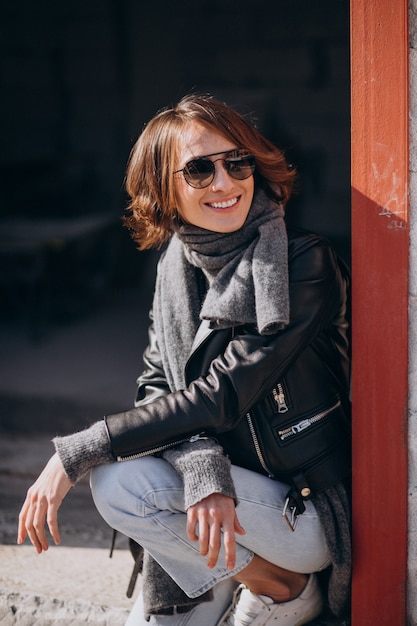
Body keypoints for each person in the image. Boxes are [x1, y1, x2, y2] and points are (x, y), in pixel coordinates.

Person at [17, 93, 351, 626]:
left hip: (301, 507)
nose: (225, 183)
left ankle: (280, 586)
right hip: (213, 504)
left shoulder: (301, 262)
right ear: (165, 189)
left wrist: (75, 452)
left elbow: (222, 393)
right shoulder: (176, 268)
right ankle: (225, 574)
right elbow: (156, 384)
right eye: (199, 169)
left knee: (113, 478)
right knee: (129, 491)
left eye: (235, 161)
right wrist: (202, 470)